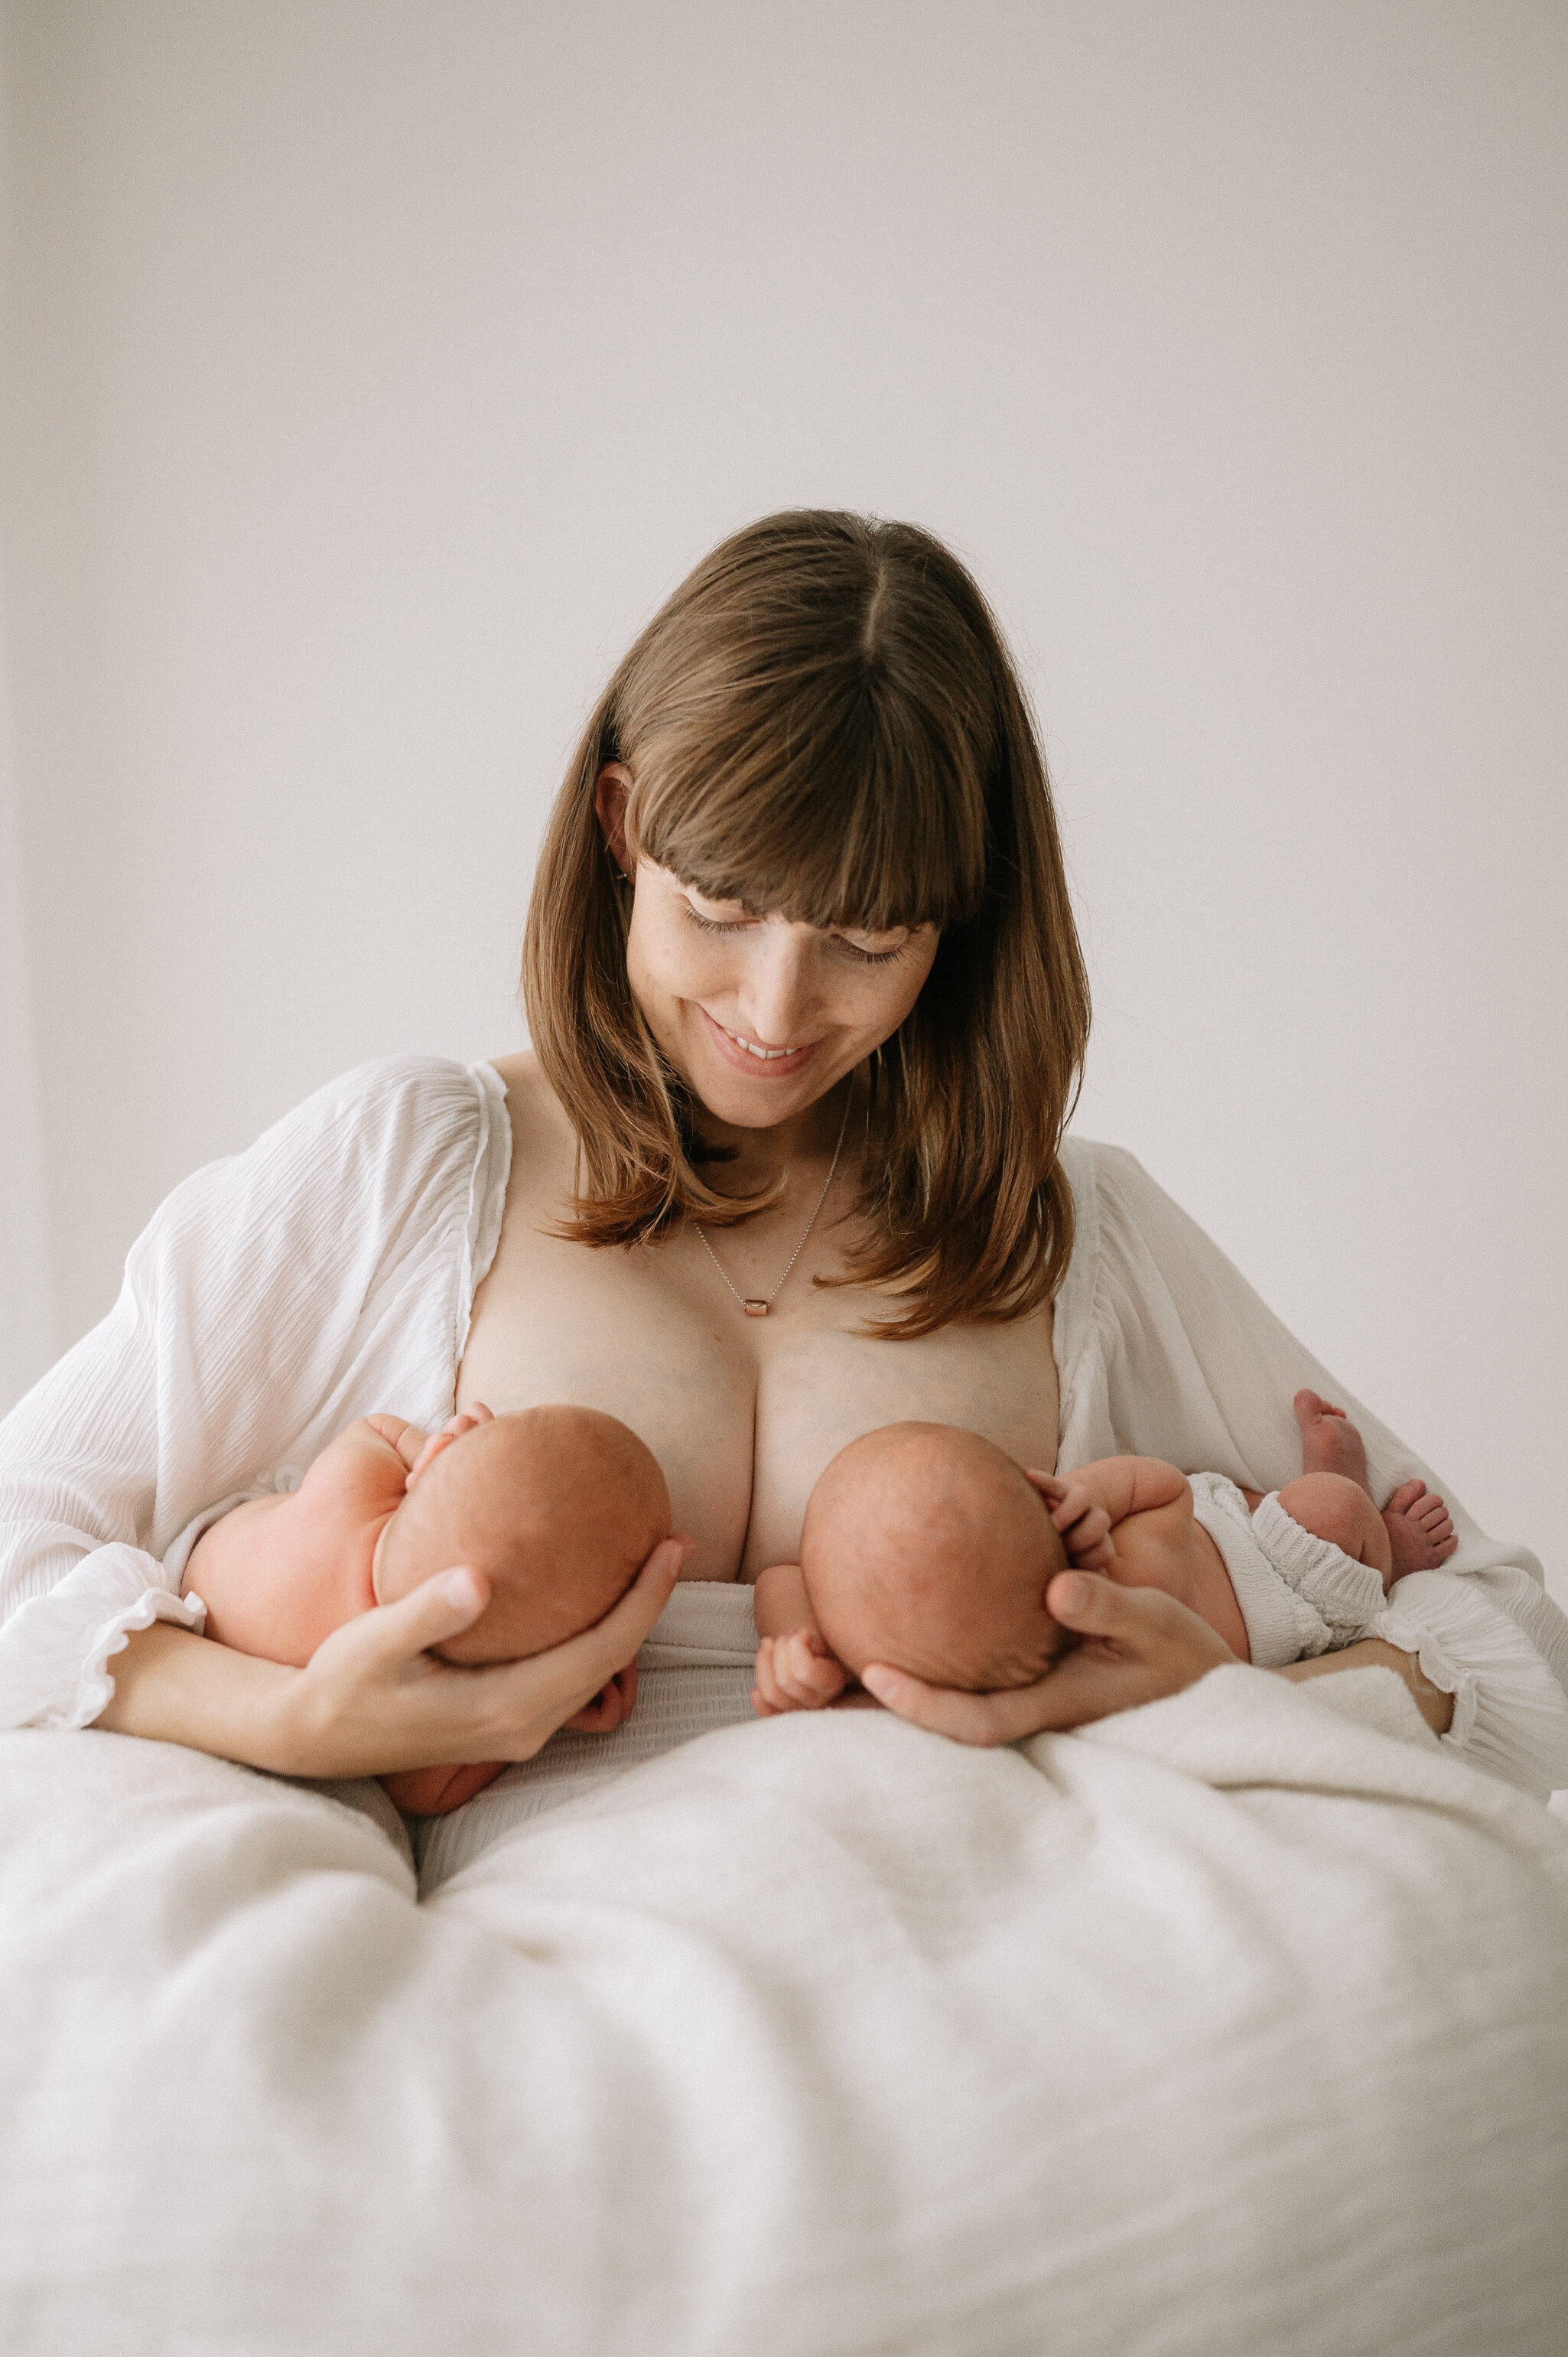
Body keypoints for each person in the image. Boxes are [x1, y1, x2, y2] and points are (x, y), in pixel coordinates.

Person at [1, 509, 1565, 1803]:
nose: (772, 1008)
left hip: (1039, 1983)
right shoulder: (414, 1166)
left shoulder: (1066, 1230)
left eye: (865, 938)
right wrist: (287, 1723)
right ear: (620, 823)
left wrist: (1232, 1677)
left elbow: (1504, 1641)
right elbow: (21, 1545)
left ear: (957, 925)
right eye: (719, 910)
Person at [750, 1390, 1456, 1714]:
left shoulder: (1119, 1564)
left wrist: (1089, 1493)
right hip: (1248, 1579)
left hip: (1272, 1563)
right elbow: (783, 1578)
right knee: (1301, 1508)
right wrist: (800, 1654)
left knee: (1325, 1509)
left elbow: (1166, 1488)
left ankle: (1383, 1539)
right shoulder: (915, 1634)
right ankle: (1329, 1505)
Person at [177, 1402, 669, 1815]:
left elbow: (371, 1428)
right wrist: (558, 1710)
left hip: (179, 1580)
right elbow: (426, 1795)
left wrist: (425, 1452)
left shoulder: (356, 1484)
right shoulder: (411, 1697)